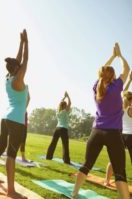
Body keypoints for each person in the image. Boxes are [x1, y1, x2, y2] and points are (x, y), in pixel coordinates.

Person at [72, 43, 130, 199]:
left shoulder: (97, 87)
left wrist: (112, 56)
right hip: (113, 134)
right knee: (119, 172)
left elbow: (101, 72)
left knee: (86, 165)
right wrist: (120, 55)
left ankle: (75, 193)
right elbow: (127, 69)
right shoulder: (116, 86)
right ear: (112, 77)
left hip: (96, 132)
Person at [0, 29, 28, 199]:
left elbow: (18, 60)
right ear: (17, 69)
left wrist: (21, 43)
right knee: (11, 154)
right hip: (16, 121)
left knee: (0, 148)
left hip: (6, 118)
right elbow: (25, 60)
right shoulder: (18, 79)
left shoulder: (8, 77)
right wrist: (27, 43)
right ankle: (11, 191)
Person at [104, 72, 132, 186]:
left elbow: (123, 93)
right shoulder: (130, 109)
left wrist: (130, 80)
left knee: (114, 160)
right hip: (130, 136)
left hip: (121, 135)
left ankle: (107, 181)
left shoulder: (120, 106)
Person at [46, 91, 71, 164]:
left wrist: (64, 97)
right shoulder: (65, 111)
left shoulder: (58, 111)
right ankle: (66, 160)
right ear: (65, 106)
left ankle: (48, 157)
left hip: (57, 128)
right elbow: (70, 103)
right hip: (63, 129)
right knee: (65, 145)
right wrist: (68, 96)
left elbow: (60, 102)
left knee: (53, 143)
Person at [20, 91, 30, 162]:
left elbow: (28, 98)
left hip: (24, 126)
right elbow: (28, 98)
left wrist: (27, 91)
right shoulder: (21, 107)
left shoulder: (23, 107)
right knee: (20, 142)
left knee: (22, 142)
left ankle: (23, 157)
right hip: (20, 126)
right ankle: (23, 157)